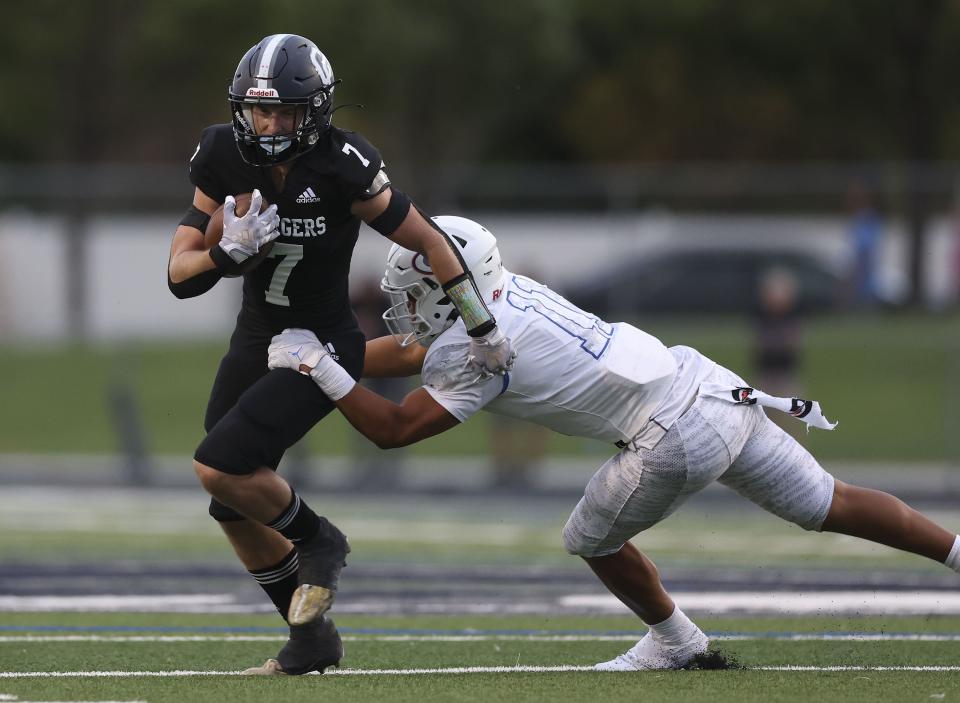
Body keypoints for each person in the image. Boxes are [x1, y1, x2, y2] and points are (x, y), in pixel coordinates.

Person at [267, 215, 960, 671]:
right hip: (709, 386)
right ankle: (956, 550)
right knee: (828, 500)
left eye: (421, 288)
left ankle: (678, 640)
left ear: (457, 289)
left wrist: (322, 368)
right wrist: (337, 353)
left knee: (587, 537)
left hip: (672, 432)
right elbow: (418, 352)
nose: (409, 301)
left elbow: (395, 428)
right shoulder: (504, 299)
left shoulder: (475, 354)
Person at [166, 36, 515, 676]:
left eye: (286, 113)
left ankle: (319, 538)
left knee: (217, 467)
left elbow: (433, 241)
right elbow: (180, 273)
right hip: (256, 337)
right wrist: (225, 255)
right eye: (259, 111)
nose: (270, 126)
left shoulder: (343, 165)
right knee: (231, 502)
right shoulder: (222, 152)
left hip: (323, 342)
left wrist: (480, 325)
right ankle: (311, 641)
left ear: (316, 111)